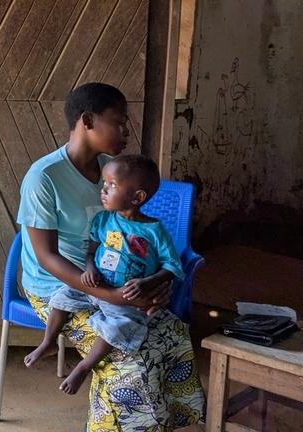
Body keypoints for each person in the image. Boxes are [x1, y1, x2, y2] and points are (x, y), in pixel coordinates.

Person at [17, 82, 204, 432]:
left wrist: (155, 284)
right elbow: (46, 258)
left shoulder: (112, 171)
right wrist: (116, 297)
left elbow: (139, 238)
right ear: (87, 122)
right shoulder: (44, 177)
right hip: (59, 288)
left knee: (170, 334)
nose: (125, 131)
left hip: (115, 284)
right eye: (118, 122)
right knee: (124, 353)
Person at [24, 154, 184, 396]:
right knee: (62, 297)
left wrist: (148, 282)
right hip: (96, 285)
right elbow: (92, 247)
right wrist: (89, 268)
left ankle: (84, 366)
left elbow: (172, 266)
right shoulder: (103, 219)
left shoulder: (154, 231)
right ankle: (48, 342)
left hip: (126, 296)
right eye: (104, 184)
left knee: (119, 328)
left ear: (137, 197)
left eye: (112, 186)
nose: (104, 190)